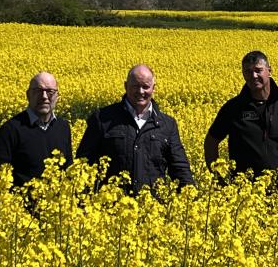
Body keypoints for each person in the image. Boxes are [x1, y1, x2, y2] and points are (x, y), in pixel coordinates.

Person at [76, 64, 194, 193]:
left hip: (153, 209)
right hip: (110, 207)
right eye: (135, 86)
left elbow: (179, 167)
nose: (141, 92)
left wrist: (189, 198)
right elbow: (84, 163)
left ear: (153, 88)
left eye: (145, 87)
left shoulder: (167, 124)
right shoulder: (102, 119)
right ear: (126, 86)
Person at [204, 50, 278, 178]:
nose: (253, 76)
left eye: (258, 70)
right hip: (244, 191)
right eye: (248, 72)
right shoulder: (233, 108)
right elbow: (211, 141)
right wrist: (219, 175)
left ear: (269, 71)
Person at [0, 71, 73, 187]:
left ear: (57, 96)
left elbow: (68, 169)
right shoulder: (10, 130)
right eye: (38, 91)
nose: (44, 97)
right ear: (28, 95)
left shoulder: (63, 127)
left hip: (58, 203)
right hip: (20, 203)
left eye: (50, 92)